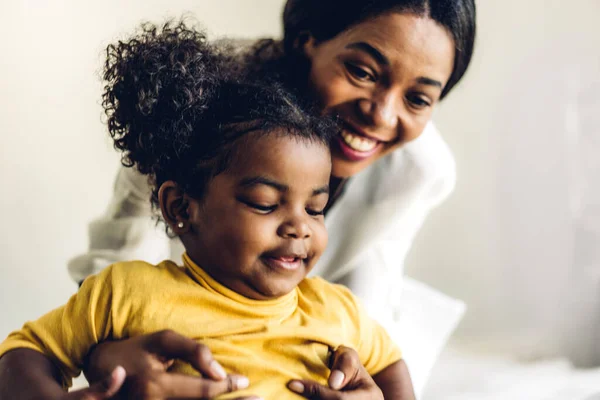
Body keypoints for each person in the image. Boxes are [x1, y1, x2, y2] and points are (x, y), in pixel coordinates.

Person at [68, 0, 476, 396]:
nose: (383, 115)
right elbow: (115, 278)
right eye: (362, 71)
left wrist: (366, 384)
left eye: (418, 98)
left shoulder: (417, 170)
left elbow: (369, 311)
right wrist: (106, 357)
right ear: (307, 38)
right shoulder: (195, 113)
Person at [0, 23, 415, 400]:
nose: (299, 227)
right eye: (265, 204)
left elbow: (392, 366)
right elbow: (23, 354)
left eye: (316, 208)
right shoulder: (125, 293)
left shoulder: (337, 310)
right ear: (181, 207)